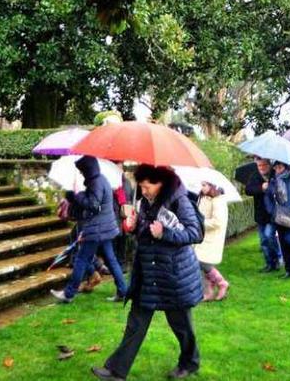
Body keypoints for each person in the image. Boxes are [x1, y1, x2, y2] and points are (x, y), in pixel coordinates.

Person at [92, 165, 204, 381]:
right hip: (147, 273)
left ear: (161, 183)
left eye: (147, 186)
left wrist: (166, 233)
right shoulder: (146, 201)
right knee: (136, 323)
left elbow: (195, 233)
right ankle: (116, 371)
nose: (143, 191)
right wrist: (134, 227)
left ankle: (190, 362)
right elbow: (147, 231)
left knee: (181, 326)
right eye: (141, 187)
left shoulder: (179, 200)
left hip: (173, 276)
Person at [51, 156, 128, 303]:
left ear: (87, 170)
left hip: (96, 228)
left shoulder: (95, 182)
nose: (80, 174)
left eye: (81, 171)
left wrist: (76, 195)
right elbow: (93, 200)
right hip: (105, 227)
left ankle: (68, 294)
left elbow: (93, 204)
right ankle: (123, 291)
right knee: (111, 260)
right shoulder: (100, 179)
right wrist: (77, 196)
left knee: (81, 259)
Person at [245, 157, 282, 272]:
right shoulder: (255, 176)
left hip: (273, 213)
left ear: (269, 165)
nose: (261, 168)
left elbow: (281, 190)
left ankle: (277, 258)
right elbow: (248, 190)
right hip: (260, 213)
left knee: (269, 236)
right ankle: (269, 263)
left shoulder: (275, 175)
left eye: (263, 165)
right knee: (263, 241)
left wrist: (270, 187)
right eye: (259, 166)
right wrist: (261, 187)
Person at [195, 182, 230, 300]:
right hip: (202, 236)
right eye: (202, 184)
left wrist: (200, 223)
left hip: (211, 237)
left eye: (204, 185)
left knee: (201, 261)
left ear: (212, 186)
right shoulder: (203, 198)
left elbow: (217, 222)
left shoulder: (218, 201)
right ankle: (208, 292)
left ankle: (221, 283)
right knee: (201, 263)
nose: (202, 187)